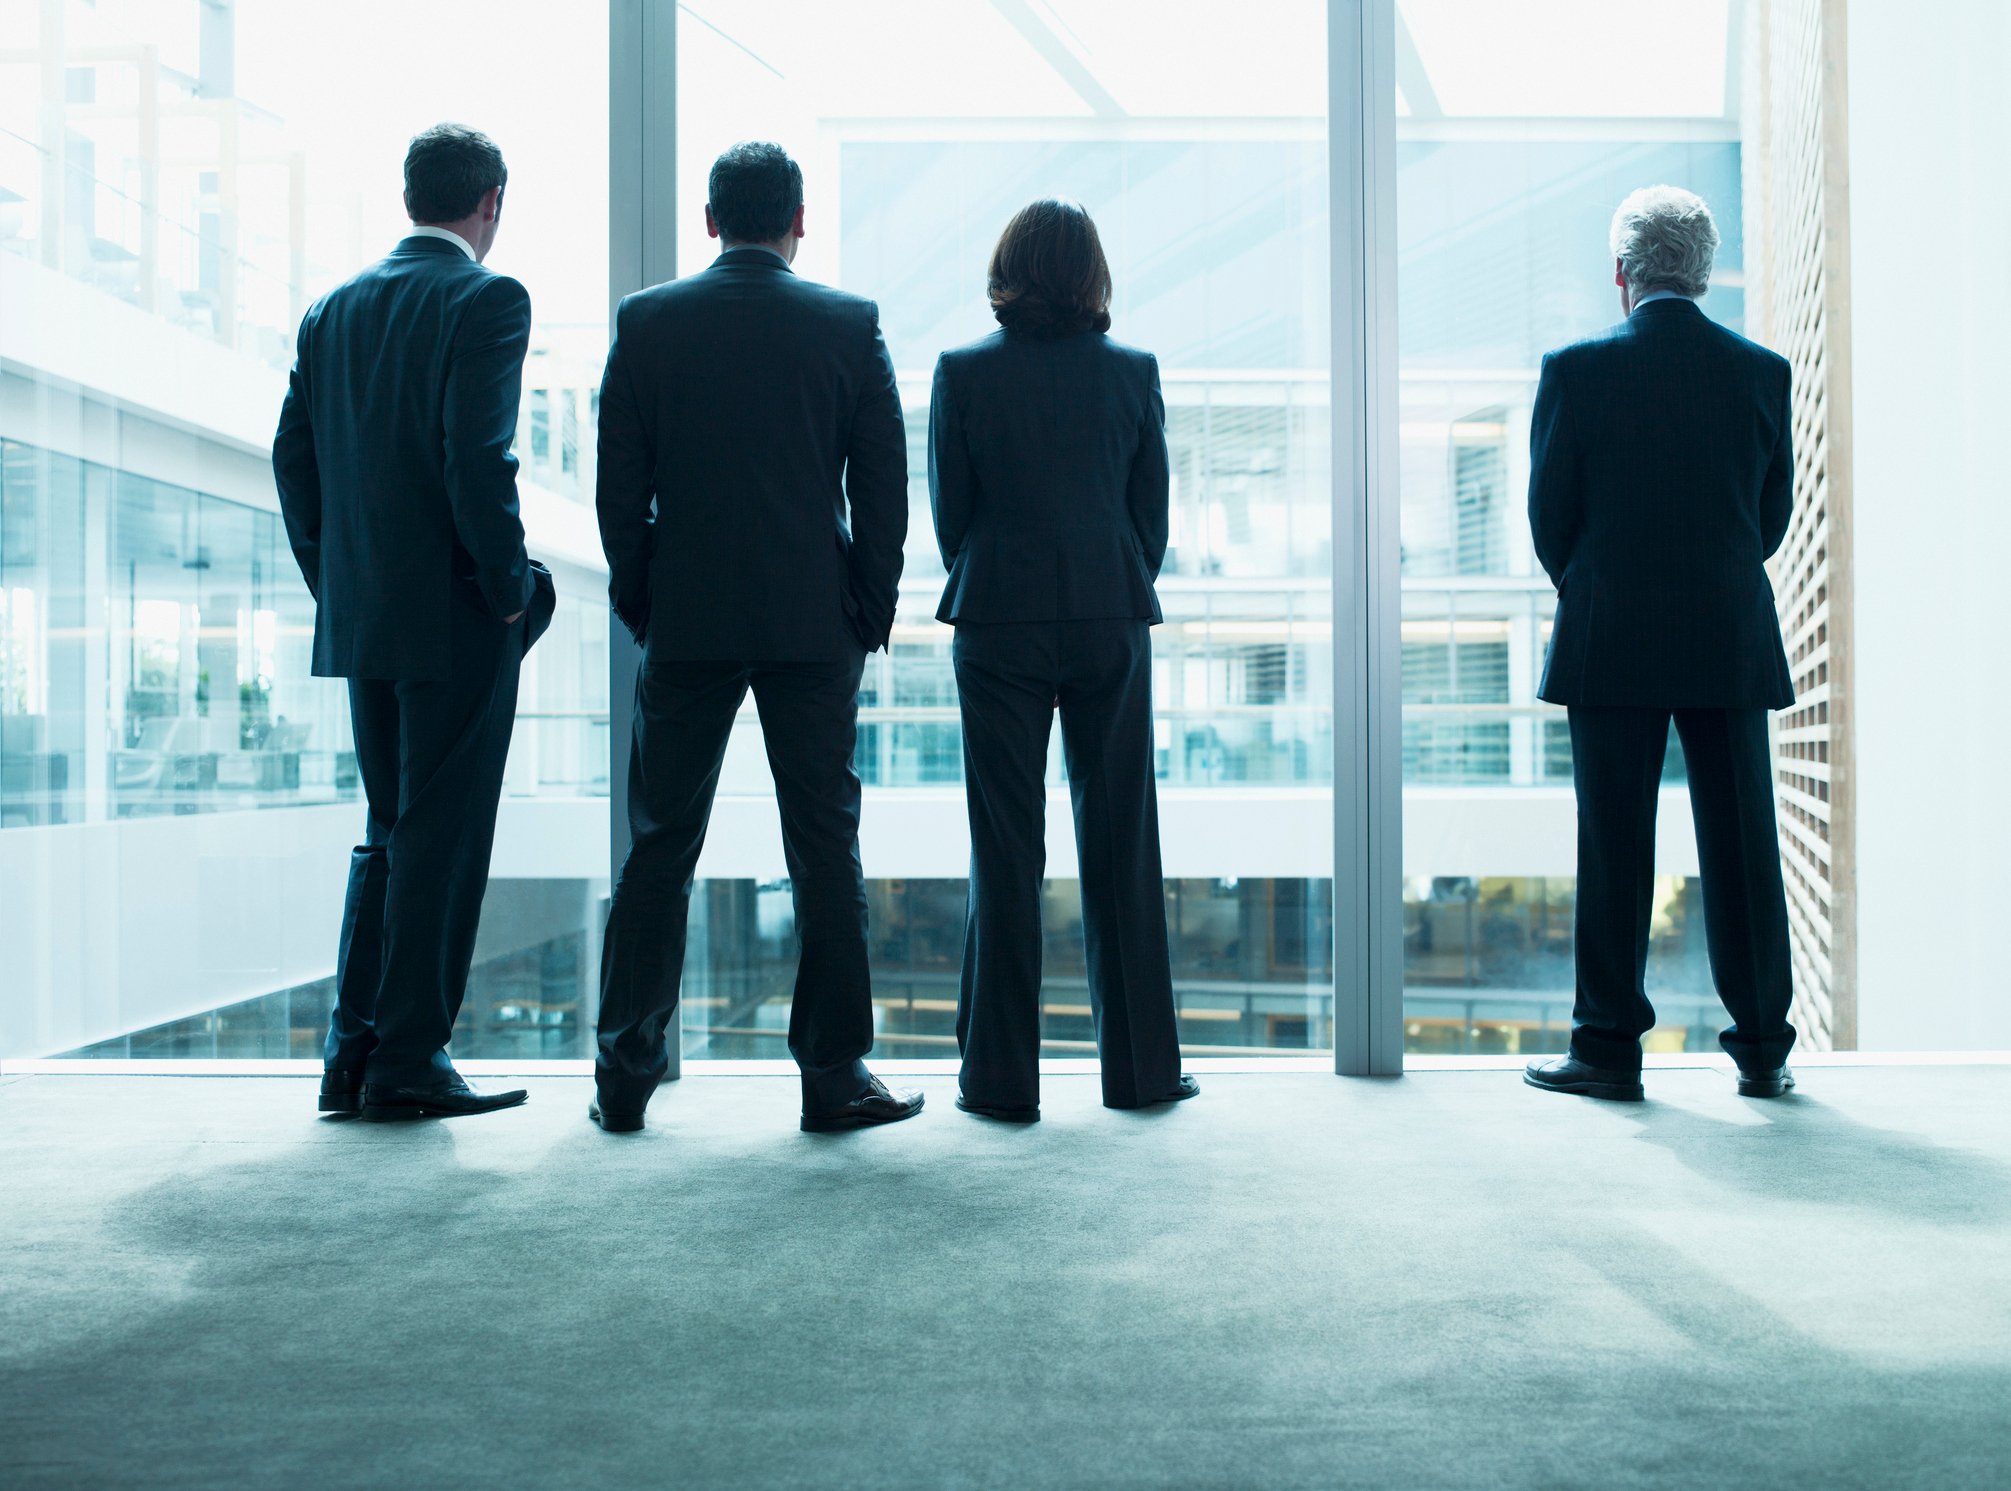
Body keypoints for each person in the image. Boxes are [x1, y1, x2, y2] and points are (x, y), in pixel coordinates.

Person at [591, 142, 919, 1135]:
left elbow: (618, 488)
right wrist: (869, 605)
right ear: (798, 222)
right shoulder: (847, 324)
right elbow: (885, 486)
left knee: (659, 852)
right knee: (824, 850)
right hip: (813, 620)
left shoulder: (647, 322)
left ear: (708, 221)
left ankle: (625, 1078)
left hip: (688, 617)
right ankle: (832, 1077)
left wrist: (645, 599)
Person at [273, 123, 555, 1120]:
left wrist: (335, 581)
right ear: (490, 205)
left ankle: (352, 1055)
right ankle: (408, 1063)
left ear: (410, 198)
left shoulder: (332, 310)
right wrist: (511, 585)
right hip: (456, 615)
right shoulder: (488, 298)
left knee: (388, 831)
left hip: (368, 615)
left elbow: (294, 462)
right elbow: (476, 458)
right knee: (441, 836)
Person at [1522, 185, 1798, 1104]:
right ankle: (1761, 1045)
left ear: (1621, 276)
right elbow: (1768, 520)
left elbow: (1549, 521)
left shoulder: (1574, 369)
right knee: (1743, 845)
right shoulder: (1761, 373)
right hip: (1725, 632)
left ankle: (1605, 1047)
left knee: (1614, 845)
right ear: (1705, 274)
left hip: (1610, 635)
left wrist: (1606, 583)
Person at [929, 199, 1195, 1122]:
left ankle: (998, 1082)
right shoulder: (1132, 372)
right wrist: (1108, 576)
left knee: (1004, 848)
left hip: (995, 617)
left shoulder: (961, 372)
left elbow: (950, 517)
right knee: (1121, 839)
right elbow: (1149, 513)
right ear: (1093, 276)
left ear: (1007, 268)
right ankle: (1141, 1074)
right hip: (1106, 612)